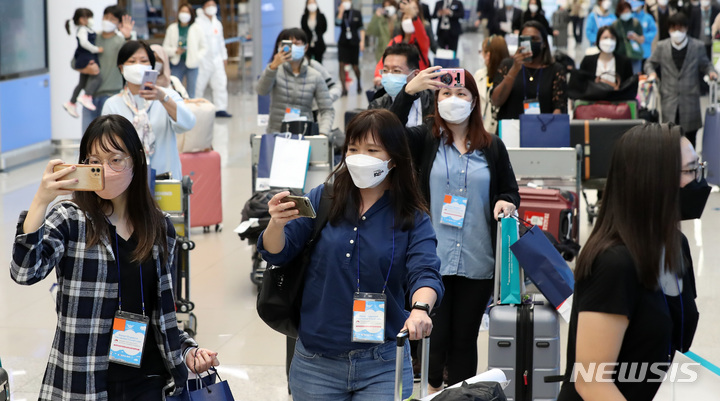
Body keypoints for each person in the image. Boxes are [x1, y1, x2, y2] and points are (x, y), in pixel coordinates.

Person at [11, 114, 219, 400]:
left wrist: (188, 350)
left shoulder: (159, 227)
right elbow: (24, 272)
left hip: (149, 380)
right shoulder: (71, 219)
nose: (104, 171)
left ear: (137, 160)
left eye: (115, 160)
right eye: (94, 161)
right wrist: (41, 201)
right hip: (84, 381)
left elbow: (161, 314)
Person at [258, 109, 445, 400]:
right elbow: (278, 252)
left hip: (382, 362)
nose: (360, 157)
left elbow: (425, 270)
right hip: (315, 363)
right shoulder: (324, 198)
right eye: (353, 149)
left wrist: (420, 309)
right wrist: (276, 224)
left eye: (372, 150)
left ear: (393, 158)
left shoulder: (411, 216)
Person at [388, 67, 520, 392]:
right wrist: (407, 92)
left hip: (478, 261)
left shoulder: (493, 147)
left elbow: (509, 190)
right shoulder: (423, 140)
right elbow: (386, 135)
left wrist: (506, 203)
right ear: (436, 101)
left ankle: (463, 395)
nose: (453, 100)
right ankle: (433, 391)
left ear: (474, 102)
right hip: (431, 261)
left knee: (464, 339)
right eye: (446, 94)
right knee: (436, 336)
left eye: (461, 94)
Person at [557, 123, 699, 401]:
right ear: (654, 180)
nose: (697, 181)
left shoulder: (674, 245)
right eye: (690, 171)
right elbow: (592, 383)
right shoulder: (613, 264)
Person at [102, 40, 196, 180]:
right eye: (132, 61)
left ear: (152, 66)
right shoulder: (113, 104)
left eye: (143, 60)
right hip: (128, 183)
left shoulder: (167, 96)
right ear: (121, 68)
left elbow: (188, 123)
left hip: (166, 180)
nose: (137, 66)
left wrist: (163, 98)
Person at [645, 12, 718, 146]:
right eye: (673, 28)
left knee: (690, 141)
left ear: (686, 28)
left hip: (690, 101)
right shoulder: (662, 46)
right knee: (669, 141)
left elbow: (706, 65)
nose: (677, 32)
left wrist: (712, 73)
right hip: (669, 100)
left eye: (680, 28)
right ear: (669, 29)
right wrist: (652, 73)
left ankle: (690, 166)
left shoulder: (697, 46)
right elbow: (649, 63)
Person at [256, 29, 334, 136]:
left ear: (305, 47)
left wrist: (323, 133)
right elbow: (261, 91)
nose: (292, 48)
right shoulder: (274, 70)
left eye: (296, 44)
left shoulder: (315, 75)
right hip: (276, 133)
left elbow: (327, 109)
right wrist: (273, 67)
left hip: (304, 133)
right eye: (288, 44)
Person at [491, 21, 569, 120]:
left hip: (543, 129)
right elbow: (496, 101)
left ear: (544, 43)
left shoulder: (556, 70)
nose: (530, 43)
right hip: (511, 129)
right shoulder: (508, 65)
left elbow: (559, 108)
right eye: (526, 39)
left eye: (535, 39)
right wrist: (513, 71)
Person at [81, 6, 135, 134]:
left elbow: (131, 58)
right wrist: (86, 69)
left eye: (112, 19)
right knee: (88, 136)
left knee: (110, 136)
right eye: (106, 17)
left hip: (112, 94)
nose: (107, 21)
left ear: (118, 23)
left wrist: (127, 37)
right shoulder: (92, 38)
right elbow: (75, 62)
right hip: (90, 96)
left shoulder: (120, 41)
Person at [370, 43, 434, 127]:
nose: (389, 75)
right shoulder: (377, 105)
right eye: (385, 70)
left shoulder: (432, 101)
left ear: (415, 75)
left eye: (396, 71)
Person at [374, 2, 430, 87]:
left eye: (411, 19)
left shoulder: (421, 41)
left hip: (419, 84)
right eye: (406, 18)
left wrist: (414, 17)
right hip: (398, 83)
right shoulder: (395, 40)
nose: (408, 21)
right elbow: (384, 60)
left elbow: (421, 32)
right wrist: (378, 76)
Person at [162, 2, 207, 99]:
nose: (184, 14)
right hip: (177, 63)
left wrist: (197, 57)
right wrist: (175, 51)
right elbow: (165, 48)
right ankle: (176, 111)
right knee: (174, 90)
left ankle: (191, 111)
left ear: (191, 14)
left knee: (191, 91)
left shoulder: (196, 28)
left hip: (192, 64)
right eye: (182, 11)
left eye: (187, 12)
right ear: (178, 13)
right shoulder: (172, 28)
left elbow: (204, 47)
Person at [64, 8, 103, 119]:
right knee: (97, 77)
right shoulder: (82, 30)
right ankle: (87, 96)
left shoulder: (86, 29)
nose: (90, 20)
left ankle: (71, 103)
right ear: (82, 19)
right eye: (88, 17)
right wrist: (96, 49)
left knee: (82, 83)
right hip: (86, 57)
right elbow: (84, 43)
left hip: (84, 57)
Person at [195, 0, 232, 117]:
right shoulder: (198, 23)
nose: (211, 7)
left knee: (220, 84)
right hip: (202, 60)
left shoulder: (217, 23)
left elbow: (221, 42)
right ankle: (196, 109)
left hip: (217, 60)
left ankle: (220, 108)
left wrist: (224, 57)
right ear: (203, 7)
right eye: (208, 5)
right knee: (199, 85)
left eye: (213, 5)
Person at [577, 26, 635, 90]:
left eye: (612, 38)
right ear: (598, 40)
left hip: (616, 98)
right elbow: (581, 83)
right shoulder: (588, 61)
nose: (609, 41)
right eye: (605, 38)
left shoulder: (624, 62)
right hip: (592, 97)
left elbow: (629, 85)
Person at [474, 35, 510, 133]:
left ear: (488, 55)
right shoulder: (479, 75)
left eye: (483, 52)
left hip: (501, 131)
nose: (482, 55)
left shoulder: (509, 79)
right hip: (479, 131)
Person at [336, 0, 365, 95]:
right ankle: (344, 89)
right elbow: (337, 23)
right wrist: (340, 11)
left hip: (354, 42)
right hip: (343, 42)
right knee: (341, 64)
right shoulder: (340, 12)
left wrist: (362, 42)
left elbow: (361, 28)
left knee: (355, 66)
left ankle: (359, 84)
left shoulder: (357, 13)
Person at [611, 0, 646, 72]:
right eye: (624, 12)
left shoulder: (636, 23)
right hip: (619, 55)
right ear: (619, 12)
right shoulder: (615, 25)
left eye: (627, 11)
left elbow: (642, 40)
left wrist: (635, 37)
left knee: (634, 77)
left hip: (634, 55)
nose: (626, 13)